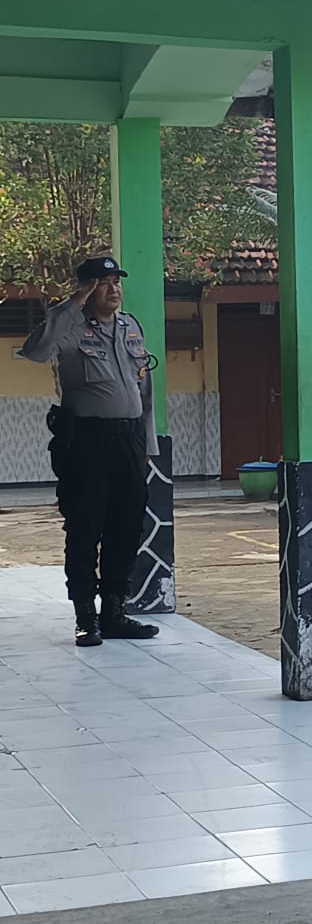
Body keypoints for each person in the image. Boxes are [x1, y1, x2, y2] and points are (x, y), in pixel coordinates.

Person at [22, 255, 161, 647]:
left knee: (127, 527)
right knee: (85, 530)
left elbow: (144, 392)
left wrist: (147, 444)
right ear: (86, 288)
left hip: (130, 443)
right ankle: (86, 617)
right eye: (103, 282)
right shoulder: (69, 328)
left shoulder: (130, 326)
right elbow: (35, 350)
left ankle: (114, 612)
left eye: (117, 281)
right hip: (87, 444)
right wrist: (72, 304)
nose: (114, 289)